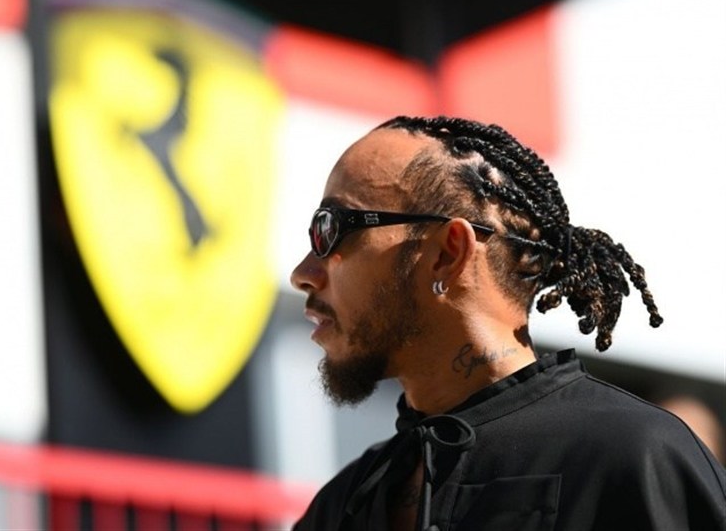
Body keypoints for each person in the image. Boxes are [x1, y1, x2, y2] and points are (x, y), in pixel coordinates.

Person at [289, 116, 726, 530]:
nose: (303, 273)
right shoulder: (343, 504)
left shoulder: (631, 457)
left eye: (331, 228)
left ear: (447, 253)